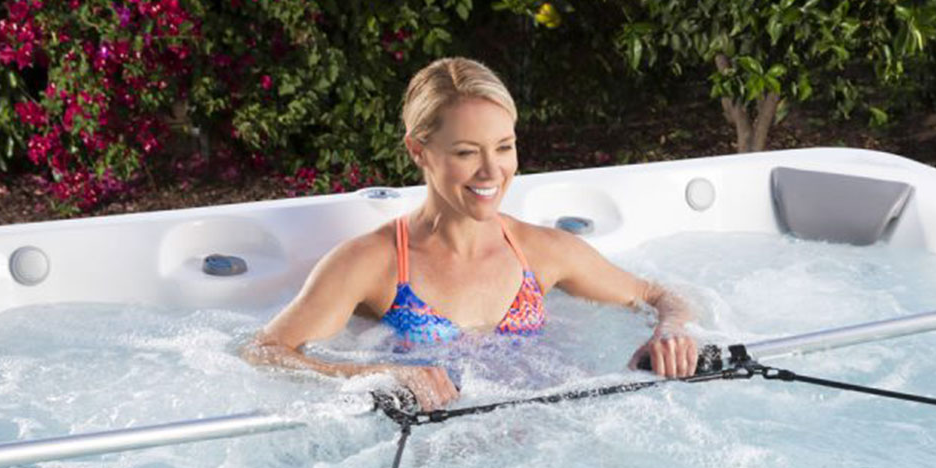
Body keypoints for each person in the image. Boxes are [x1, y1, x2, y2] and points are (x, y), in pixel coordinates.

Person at [244, 57, 698, 410]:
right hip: (441, 461)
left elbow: (661, 294)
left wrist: (670, 333)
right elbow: (263, 352)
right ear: (418, 151)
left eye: (504, 147)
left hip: (546, 445)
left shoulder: (539, 252)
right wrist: (376, 375)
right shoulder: (374, 263)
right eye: (466, 152)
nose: (491, 171)